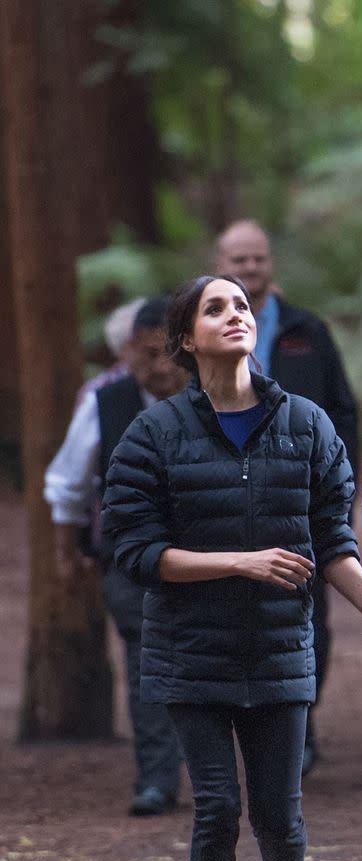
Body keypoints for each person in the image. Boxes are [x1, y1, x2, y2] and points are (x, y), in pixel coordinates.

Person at [101, 275, 362, 861]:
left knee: (279, 815)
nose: (235, 315)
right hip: (188, 653)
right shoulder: (154, 434)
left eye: (241, 305)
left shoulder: (306, 426)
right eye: (215, 308)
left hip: (278, 652)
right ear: (185, 340)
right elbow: (135, 549)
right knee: (215, 810)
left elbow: (333, 540)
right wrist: (238, 562)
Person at [215, 220, 359, 776]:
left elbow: (343, 410)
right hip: (225, 499)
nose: (249, 269)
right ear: (220, 261)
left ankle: (300, 723)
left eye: (257, 259)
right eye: (238, 260)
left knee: (305, 615)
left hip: (301, 498)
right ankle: (242, 727)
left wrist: (339, 485)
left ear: (270, 262)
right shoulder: (203, 329)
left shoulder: (306, 331)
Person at [44, 297, 186, 816]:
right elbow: (68, 482)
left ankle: (214, 770)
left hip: (208, 556)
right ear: (129, 353)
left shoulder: (222, 394)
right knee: (145, 657)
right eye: (146, 356)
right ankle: (156, 778)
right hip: (130, 558)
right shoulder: (105, 402)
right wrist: (68, 555)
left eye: (166, 354)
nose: (158, 368)